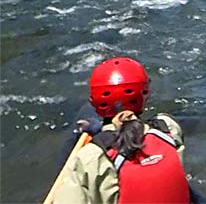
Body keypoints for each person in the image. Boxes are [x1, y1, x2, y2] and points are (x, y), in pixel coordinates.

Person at [54, 57, 190, 204]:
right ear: (145, 95)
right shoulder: (168, 128)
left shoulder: (90, 156)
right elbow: (132, 131)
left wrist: (102, 132)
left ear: (94, 102)